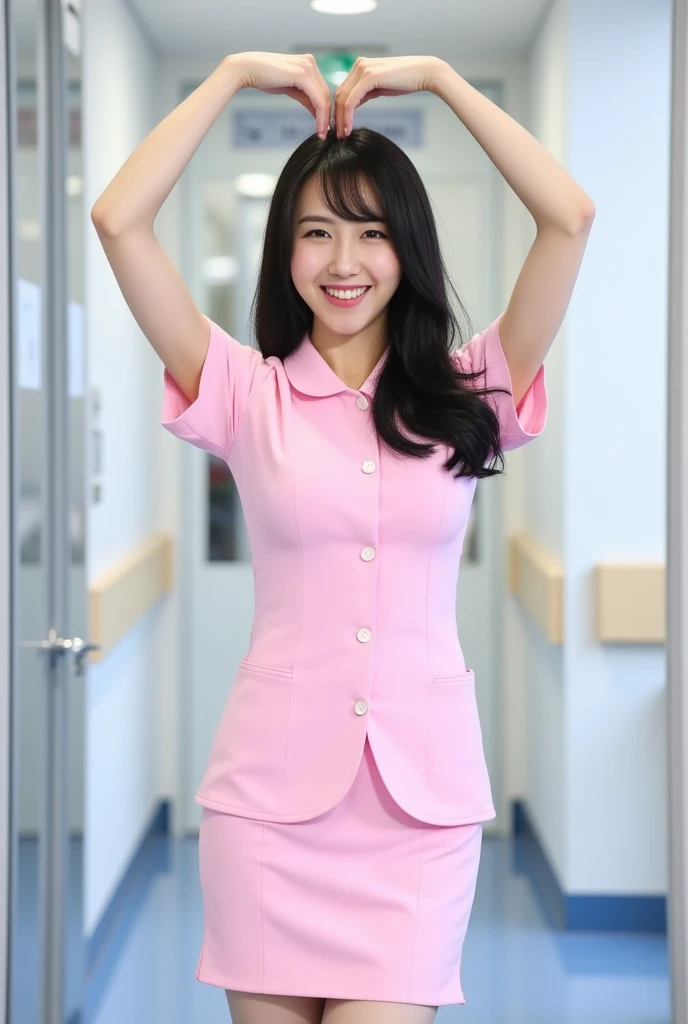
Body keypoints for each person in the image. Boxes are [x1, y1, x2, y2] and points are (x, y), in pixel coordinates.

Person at [91, 50, 594, 1024]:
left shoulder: (470, 388)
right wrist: (231, 74)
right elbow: (118, 219)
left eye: (369, 232)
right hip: (269, 811)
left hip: (419, 813)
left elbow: (568, 217)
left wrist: (447, 82)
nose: (344, 261)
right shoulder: (243, 391)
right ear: (286, 251)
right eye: (316, 232)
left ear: (406, 247)